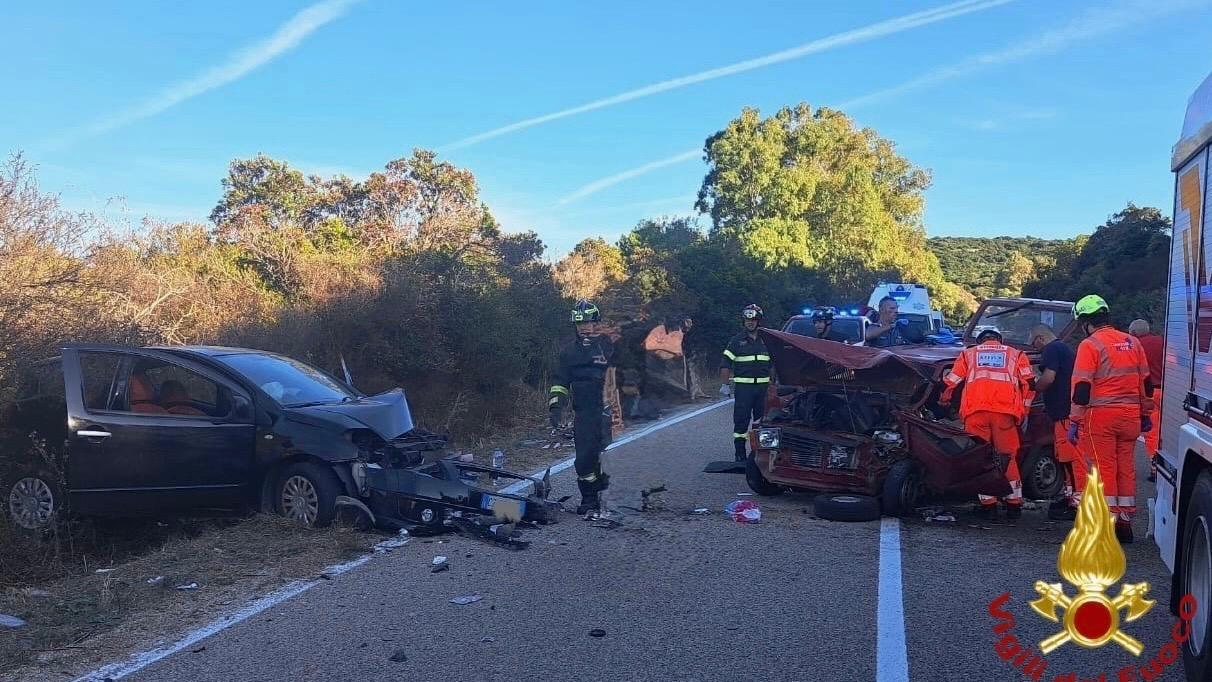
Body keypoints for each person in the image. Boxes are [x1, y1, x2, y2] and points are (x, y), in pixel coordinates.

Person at [1068, 295, 1154, 544]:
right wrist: (1145, 413)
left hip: (1101, 415)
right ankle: (1125, 522)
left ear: (1086, 322)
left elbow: (1082, 389)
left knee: (1103, 468)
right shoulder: (1132, 342)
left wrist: (1074, 421)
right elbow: (1146, 383)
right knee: (1125, 467)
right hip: (1130, 416)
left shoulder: (1090, 345)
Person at [940, 327, 1036, 519]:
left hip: (975, 413)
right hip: (1005, 413)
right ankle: (1014, 504)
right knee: (1007, 457)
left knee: (981, 458)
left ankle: (988, 505)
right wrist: (1024, 410)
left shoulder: (969, 354)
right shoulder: (1016, 354)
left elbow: (951, 380)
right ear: (999, 340)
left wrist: (944, 399)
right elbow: (1030, 383)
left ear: (980, 340)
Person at [548, 299, 615, 515]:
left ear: (597, 323)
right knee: (585, 458)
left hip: (609, 410)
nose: (584, 327)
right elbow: (560, 382)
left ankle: (614, 493)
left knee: (607, 453)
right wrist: (556, 406)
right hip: (584, 412)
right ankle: (589, 498)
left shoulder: (610, 347)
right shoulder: (568, 354)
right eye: (580, 323)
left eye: (588, 322)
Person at [1030, 324, 1084, 521]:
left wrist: (1034, 387)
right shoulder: (1063, 349)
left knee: (1072, 459)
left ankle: (1078, 503)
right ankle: (1071, 498)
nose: (1034, 347)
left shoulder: (1051, 349)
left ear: (1040, 338)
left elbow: (1048, 378)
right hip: (1065, 413)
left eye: (1033, 343)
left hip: (1064, 414)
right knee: (1066, 458)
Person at [720, 304, 771, 462]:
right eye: (747, 320)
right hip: (744, 389)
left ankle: (761, 455)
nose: (750, 322)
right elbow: (725, 363)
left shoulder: (767, 340)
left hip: (764, 389)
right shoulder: (736, 341)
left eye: (753, 319)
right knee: (741, 422)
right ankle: (740, 454)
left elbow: (776, 363)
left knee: (763, 422)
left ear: (758, 321)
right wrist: (725, 384)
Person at [1129, 319, 1164, 482]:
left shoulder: (1135, 346)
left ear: (1134, 333)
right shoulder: (1162, 342)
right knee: (1165, 431)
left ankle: (1155, 468)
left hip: (1149, 393)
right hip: (1168, 392)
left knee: (1151, 432)